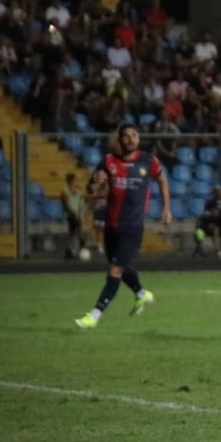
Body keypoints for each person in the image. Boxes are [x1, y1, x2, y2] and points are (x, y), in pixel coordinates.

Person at [75, 124, 170, 328]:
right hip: (111, 225)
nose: (130, 139)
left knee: (115, 270)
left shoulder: (149, 160)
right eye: (126, 136)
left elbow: (162, 180)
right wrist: (94, 181)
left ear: (138, 138)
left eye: (134, 135)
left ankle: (95, 314)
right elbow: (91, 189)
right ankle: (141, 293)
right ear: (119, 140)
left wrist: (166, 209)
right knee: (120, 266)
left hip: (132, 226)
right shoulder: (108, 161)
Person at [60, 173, 88, 258]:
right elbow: (66, 204)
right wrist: (74, 213)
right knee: (71, 233)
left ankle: (80, 248)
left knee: (80, 231)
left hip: (78, 215)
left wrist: (81, 213)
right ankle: (69, 250)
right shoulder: (64, 191)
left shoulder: (79, 191)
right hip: (70, 215)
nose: (74, 183)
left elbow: (82, 203)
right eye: (72, 181)